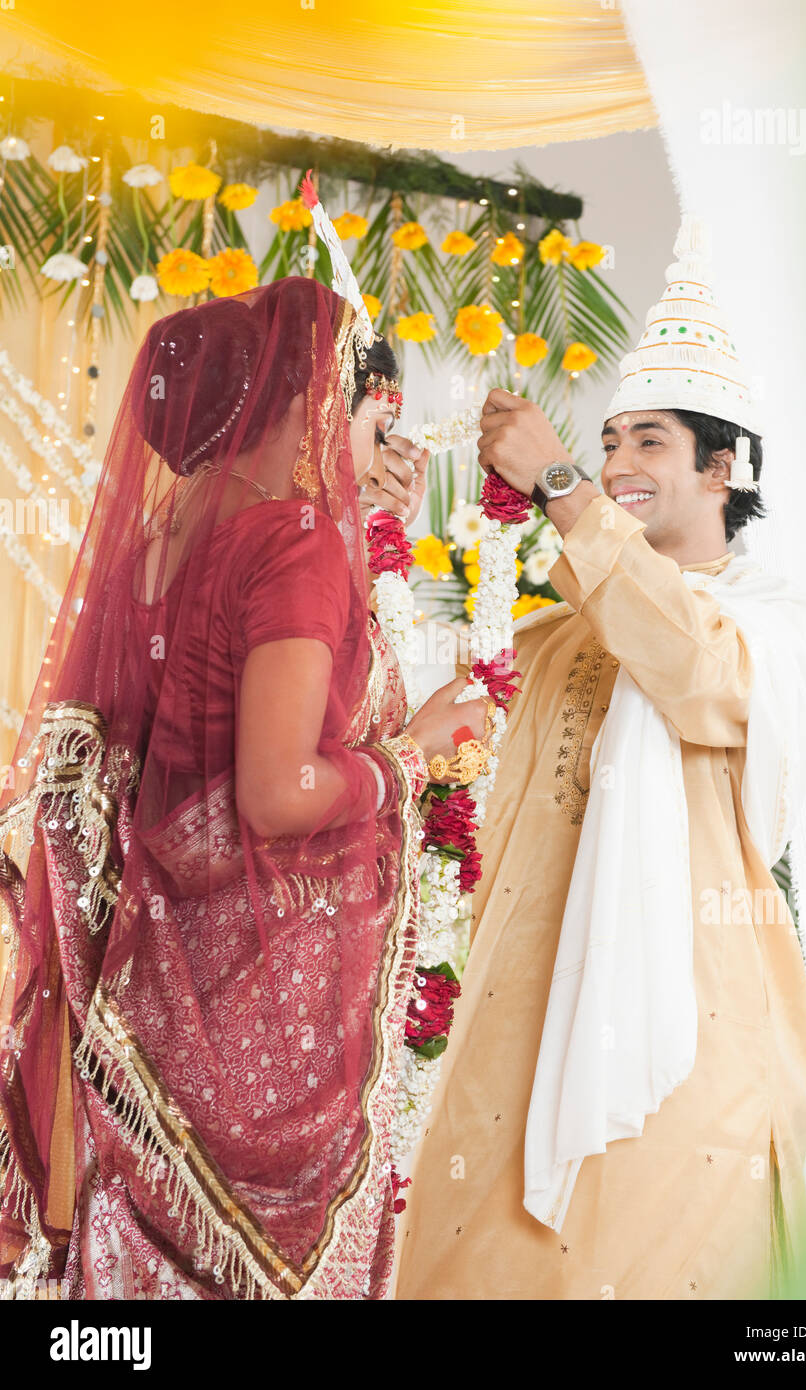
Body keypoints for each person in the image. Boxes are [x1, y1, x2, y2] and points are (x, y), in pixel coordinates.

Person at [0, 275, 487, 1300]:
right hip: (268, 1004)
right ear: (309, 403)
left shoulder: (157, 547)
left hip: (153, 992)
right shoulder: (290, 538)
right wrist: (416, 752)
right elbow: (274, 793)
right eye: (369, 408)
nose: (378, 439)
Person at [394, 216, 806, 1300]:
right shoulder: (551, 632)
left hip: (687, 1051)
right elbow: (419, 730)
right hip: (504, 1038)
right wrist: (374, 529)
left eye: (649, 444)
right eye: (610, 439)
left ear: (722, 468)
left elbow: (689, 665)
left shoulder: (769, 629)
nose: (616, 463)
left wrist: (560, 490)